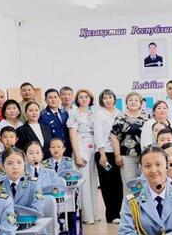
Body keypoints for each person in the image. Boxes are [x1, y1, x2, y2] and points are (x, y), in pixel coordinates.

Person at [68, 88, 99, 224]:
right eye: (81, 97)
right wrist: (77, 155)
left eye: (86, 96)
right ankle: (87, 216)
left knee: (93, 182)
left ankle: (95, 214)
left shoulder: (93, 113)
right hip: (81, 149)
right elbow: (72, 136)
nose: (84, 99)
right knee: (84, 184)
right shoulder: (74, 114)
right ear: (77, 100)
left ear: (90, 99)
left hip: (93, 149)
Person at [94, 89, 124, 224]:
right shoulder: (99, 115)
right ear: (101, 100)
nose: (108, 100)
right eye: (105, 98)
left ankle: (118, 212)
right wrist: (102, 154)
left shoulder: (120, 113)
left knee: (118, 184)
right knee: (107, 184)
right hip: (104, 154)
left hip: (117, 153)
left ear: (114, 99)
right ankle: (111, 215)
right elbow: (98, 135)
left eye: (110, 97)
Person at [110, 92, 149, 188]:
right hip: (127, 157)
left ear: (140, 103)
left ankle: (142, 198)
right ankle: (131, 199)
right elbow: (114, 136)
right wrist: (117, 155)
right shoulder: (120, 117)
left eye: (136, 100)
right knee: (130, 185)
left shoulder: (146, 117)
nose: (133, 102)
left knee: (145, 184)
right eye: (130, 100)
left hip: (145, 156)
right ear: (126, 103)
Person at [40, 88, 71, 157]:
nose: (53, 100)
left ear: (59, 98)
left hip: (66, 149)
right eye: (50, 98)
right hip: (53, 150)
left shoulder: (64, 113)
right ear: (45, 100)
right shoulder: (43, 115)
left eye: (55, 97)